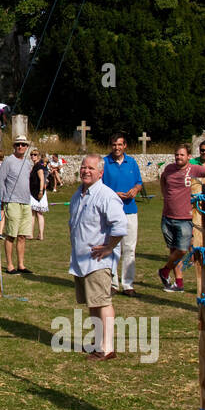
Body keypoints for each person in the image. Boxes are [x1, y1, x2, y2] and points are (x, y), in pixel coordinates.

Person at [68, 153, 128, 360]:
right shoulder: (78, 194)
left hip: (98, 261)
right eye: (84, 167)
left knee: (102, 302)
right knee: (92, 302)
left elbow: (120, 226)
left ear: (100, 173)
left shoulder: (106, 195)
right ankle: (98, 341)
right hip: (82, 260)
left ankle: (107, 347)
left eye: (91, 168)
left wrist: (109, 247)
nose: (86, 171)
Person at [157, 145, 205, 292]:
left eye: (182, 155)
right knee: (173, 251)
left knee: (181, 250)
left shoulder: (194, 169)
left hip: (185, 218)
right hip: (167, 216)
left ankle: (164, 271)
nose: (178, 157)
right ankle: (179, 283)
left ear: (188, 156)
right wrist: (165, 194)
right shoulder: (169, 169)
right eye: (177, 155)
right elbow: (162, 179)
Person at [101, 134, 143, 296]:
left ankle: (128, 284)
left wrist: (135, 190)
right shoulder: (104, 163)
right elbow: (99, 186)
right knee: (113, 248)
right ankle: (112, 283)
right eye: (114, 145)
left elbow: (139, 182)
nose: (117, 148)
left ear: (125, 146)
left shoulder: (132, 162)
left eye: (120, 145)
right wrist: (114, 194)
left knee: (129, 248)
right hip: (111, 211)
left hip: (130, 210)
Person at [0, 135, 34, 275]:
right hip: (11, 201)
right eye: (18, 144)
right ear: (14, 146)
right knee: (11, 234)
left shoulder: (27, 162)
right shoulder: (8, 161)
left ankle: (21, 264)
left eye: (23, 144)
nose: (20, 147)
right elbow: (1, 181)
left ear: (26, 147)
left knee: (23, 235)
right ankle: (9, 265)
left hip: (25, 201)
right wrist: (2, 200)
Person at [29, 147, 50, 241]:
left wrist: (41, 191)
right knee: (33, 213)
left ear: (39, 156)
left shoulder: (39, 166)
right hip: (33, 191)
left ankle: (40, 234)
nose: (33, 156)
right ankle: (31, 233)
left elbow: (42, 179)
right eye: (32, 154)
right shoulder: (34, 166)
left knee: (38, 214)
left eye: (35, 154)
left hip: (38, 192)